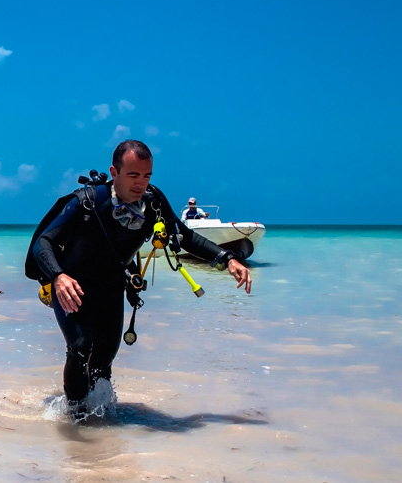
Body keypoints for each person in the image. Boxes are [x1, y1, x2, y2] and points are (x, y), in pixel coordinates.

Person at [29, 140, 252, 414]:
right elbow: (43, 242)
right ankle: (75, 419)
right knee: (80, 348)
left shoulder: (153, 204)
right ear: (114, 172)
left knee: (104, 359)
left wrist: (227, 258)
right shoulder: (88, 202)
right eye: (133, 175)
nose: (140, 184)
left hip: (112, 289)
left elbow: (184, 236)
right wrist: (59, 276)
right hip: (73, 288)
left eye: (146, 176)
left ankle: (103, 422)